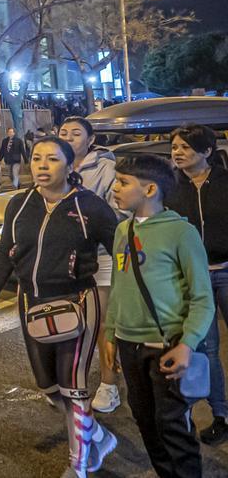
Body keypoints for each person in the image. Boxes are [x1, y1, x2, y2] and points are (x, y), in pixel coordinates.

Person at [0, 137, 120, 477]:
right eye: (37, 158)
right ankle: (96, 435)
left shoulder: (90, 207)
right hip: (31, 303)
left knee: (73, 387)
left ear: (70, 166)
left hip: (76, 303)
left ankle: (79, 464)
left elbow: (121, 249)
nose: (42, 165)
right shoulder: (19, 203)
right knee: (48, 386)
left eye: (53, 159)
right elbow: (5, 250)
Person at [108, 153, 213, 477]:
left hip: (166, 345)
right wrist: (111, 334)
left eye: (124, 182)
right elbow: (118, 284)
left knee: (172, 426)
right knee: (144, 419)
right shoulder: (122, 229)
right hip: (129, 344)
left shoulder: (181, 233)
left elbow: (202, 298)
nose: (115, 188)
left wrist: (187, 343)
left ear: (150, 189)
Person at [167, 122, 228, 443]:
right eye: (175, 147)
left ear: (206, 151)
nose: (177, 153)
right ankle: (222, 414)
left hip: (227, 270)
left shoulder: (224, 181)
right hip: (193, 278)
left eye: (185, 148)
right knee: (207, 349)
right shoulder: (169, 186)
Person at [59, 115, 124, 414]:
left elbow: (118, 212)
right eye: (63, 132)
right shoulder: (55, 165)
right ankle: (74, 378)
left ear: (90, 140)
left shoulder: (105, 168)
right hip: (65, 259)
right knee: (72, 322)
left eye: (76, 133)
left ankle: (109, 384)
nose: (69, 136)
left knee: (102, 323)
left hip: (100, 257)